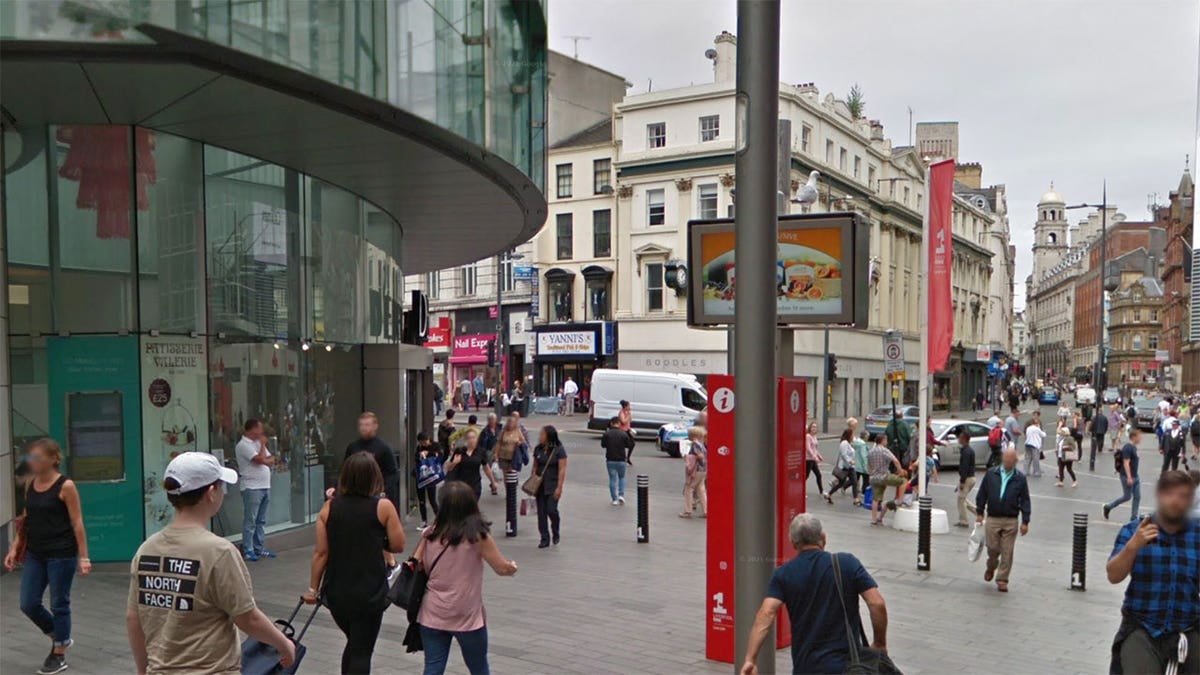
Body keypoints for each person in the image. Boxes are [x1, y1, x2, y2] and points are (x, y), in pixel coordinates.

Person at [126, 453, 295, 674]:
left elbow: (133, 617)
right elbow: (247, 618)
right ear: (211, 493)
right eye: (221, 486)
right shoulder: (219, 552)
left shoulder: (146, 550)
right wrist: (284, 644)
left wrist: (142, 670)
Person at [739, 514, 888, 675]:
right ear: (823, 537)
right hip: (847, 666)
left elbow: (766, 614)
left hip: (807, 666)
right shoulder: (847, 563)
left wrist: (750, 659)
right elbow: (876, 603)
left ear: (793, 542)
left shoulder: (783, 574)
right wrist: (879, 642)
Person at [305, 453, 407, 673]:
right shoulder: (383, 506)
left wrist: (313, 589)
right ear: (374, 477)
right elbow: (399, 546)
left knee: (354, 643)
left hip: (337, 592)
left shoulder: (328, 508)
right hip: (369, 591)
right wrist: (376, 539)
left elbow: (321, 553)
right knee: (361, 650)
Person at [4, 439, 91, 675]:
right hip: (35, 553)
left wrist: (83, 557)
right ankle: (60, 636)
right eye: (31, 458)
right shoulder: (30, 483)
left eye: (38, 458)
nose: (33, 462)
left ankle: (58, 654)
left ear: (53, 459)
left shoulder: (66, 486)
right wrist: (14, 547)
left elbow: (77, 521)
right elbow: (26, 519)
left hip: (61, 554)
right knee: (28, 603)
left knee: (59, 603)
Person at [416, 481, 518, 675]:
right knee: (479, 667)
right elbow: (500, 568)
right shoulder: (477, 536)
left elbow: (420, 565)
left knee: (433, 667)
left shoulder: (430, 533)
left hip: (433, 611)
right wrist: (512, 567)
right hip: (467, 613)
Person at [1105, 471, 1199, 675]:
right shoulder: (1133, 530)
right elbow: (1113, 575)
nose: (1175, 501)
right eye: (1170, 494)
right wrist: (1133, 546)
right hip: (1143, 626)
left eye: (1182, 496)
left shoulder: (1197, 535)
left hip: (1187, 627)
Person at [974, 446, 1032, 592]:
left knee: (1007, 550)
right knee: (993, 548)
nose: (1007, 462)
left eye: (1010, 460)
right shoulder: (991, 474)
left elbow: (1025, 500)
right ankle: (991, 566)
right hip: (993, 518)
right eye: (1005, 459)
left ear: (1015, 461)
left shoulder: (1019, 478)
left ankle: (1002, 579)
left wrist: (1025, 521)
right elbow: (982, 493)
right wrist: (980, 512)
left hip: (1010, 519)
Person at [343, 411, 400, 523]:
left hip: (376, 496)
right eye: (361, 425)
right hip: (355, 497)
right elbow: (344, 471)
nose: (363, 428)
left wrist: (385, 493)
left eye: (367, 425)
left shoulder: (383, 448)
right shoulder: (353, 447)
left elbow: (392, 474)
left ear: (375, 426)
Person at [235, 418, 276, 562]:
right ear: (252, 429)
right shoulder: (243, 445)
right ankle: (248, 550)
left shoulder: (257, 443)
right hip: (252, 487)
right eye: (259, 428)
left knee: (261, 520)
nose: (262, 432)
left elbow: (270, 459)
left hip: (265, 485)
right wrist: (263, 446)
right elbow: (258, 460)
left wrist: (264, 457)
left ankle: (259, 548)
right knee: (251, 520)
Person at [532, 426, 568, 548]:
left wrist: (559, 487)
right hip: (540, 486)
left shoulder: (559, 450)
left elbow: (562, 469)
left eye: (542, 435)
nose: (540, 437)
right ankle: (544, 538)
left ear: (549, 436)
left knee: (551, 510)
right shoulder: (538, 449)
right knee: (541, 513)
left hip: (552, 485)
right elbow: (535, 466)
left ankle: (555, 531)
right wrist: (533, 481)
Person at [444, 430, 495, 501]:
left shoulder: (481, 452)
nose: (471, 440)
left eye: (473, 438)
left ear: (477, 439)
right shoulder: (460, 451)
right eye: (469, 438)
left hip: (475, 484)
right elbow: (449, 468)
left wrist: (493, 482)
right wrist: (454, 462)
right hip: (461, 485)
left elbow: (486, 467)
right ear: (466, 440)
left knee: (473, 507)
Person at [1105, 428, 1143, 521]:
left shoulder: (1134, 447)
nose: (1140, 439)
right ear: (1134, 437)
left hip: (1135, 475)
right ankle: (1108, 507)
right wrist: (1129, 477)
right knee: (1127, 497)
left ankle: (1134, 517)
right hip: (1127, 476)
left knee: (1137, 497)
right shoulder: (1128, 447)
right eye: (1139, 437)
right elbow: (1126, 462)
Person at [867, 435, 906, 526]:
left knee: (875, 499)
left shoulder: (871, 451)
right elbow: (895, 461)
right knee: (903, 481)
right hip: (884, 476)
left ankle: (874, 519)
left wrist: (871, 474)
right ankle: (899, 500)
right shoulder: (884, 450)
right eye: (886, 440)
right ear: (883, 441)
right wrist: (900, 471)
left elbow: (869, 466)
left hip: (874, 478)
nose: (887, 442)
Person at [601, 415, 635, 505]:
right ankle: (621, 495)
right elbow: (628, 445)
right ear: (619, 423)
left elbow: (603, 445)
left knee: (612, 479)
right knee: (622, 477)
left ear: (611, 423)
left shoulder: (607, 434)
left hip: (610, 459)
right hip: (621, 459)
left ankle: (614, 499)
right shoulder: (623, 434)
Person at [414, 432, 442, 529]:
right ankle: (423, 521)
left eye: (424, 442)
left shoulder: (435, 445)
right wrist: (420, 455)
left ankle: (440, 520)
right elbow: (416, 459)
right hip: (421, 476)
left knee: (432, 499)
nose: (423, 445)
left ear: (428, 439)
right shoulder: (419, 447)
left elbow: (440, 456)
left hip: (431, 475)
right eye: (421, 443)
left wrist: (428, 453)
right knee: (421, 500)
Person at [824, 428, 859, 504]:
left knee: (854, 482)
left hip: (850, 467)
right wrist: (850, 461)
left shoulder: (849, 443)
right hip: (845, 467)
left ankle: (855, 499)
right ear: (849, 435)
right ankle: (829, 494)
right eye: (852, 434)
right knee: (842, 483)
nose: (853, 436)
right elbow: (843, 455)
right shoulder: (844, 443)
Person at [680, 427, 708, 518]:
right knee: (701, 489)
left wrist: (689, 457)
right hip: (704, 469)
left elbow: (700, 456)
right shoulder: (702, 444)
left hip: (697, 469)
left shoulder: (695, 444)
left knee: (689, 488)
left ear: (693, 435)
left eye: (689, 434)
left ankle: (688, 511)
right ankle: (706, 510)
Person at [954, 429, 977, 528]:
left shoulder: (966, 452)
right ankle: (978, 512)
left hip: (967, 478)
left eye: (960, 437)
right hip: (970, 478)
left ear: (964, 439)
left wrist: (962, 481)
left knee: (961, 500)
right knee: (963, 499)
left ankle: (964, 521)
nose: (958, 439)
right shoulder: (968, 450)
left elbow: (965, 467)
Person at [804, 421, 825, 496]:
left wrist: (819, 455)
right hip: (808, 459)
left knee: (818, 475)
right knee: (805, 476)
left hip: (813, 459)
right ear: (810, 428)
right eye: (812, 427)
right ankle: (802, 491)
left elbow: (815, 448)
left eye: (815, 427)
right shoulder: (808, 436)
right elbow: (808, 448)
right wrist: (814, 457)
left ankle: (821, 491)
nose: (814, 428)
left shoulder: (814, 437)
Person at [852, 430, 871, 507]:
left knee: (855, 479)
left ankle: (844, 486)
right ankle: (864, 492)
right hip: (862, 465)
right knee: (866, 479)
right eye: (867, 436)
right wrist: (866, 466)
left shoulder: (856, 443)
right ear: (865, 436)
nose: (868, 437)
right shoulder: (863, 445)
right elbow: (864, 456)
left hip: (856, 464)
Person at [1090, 406, 1109, 472]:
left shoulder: (1095, 417)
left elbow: (1092, 424)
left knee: (1096, 440)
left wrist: (1091, 429)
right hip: (1102, 431)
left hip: (1096, 431)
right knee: (1101, 440)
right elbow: (1106, 424)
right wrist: (1105, 430)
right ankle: (1100, 448)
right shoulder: (1105, 417)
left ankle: (1096, 447)